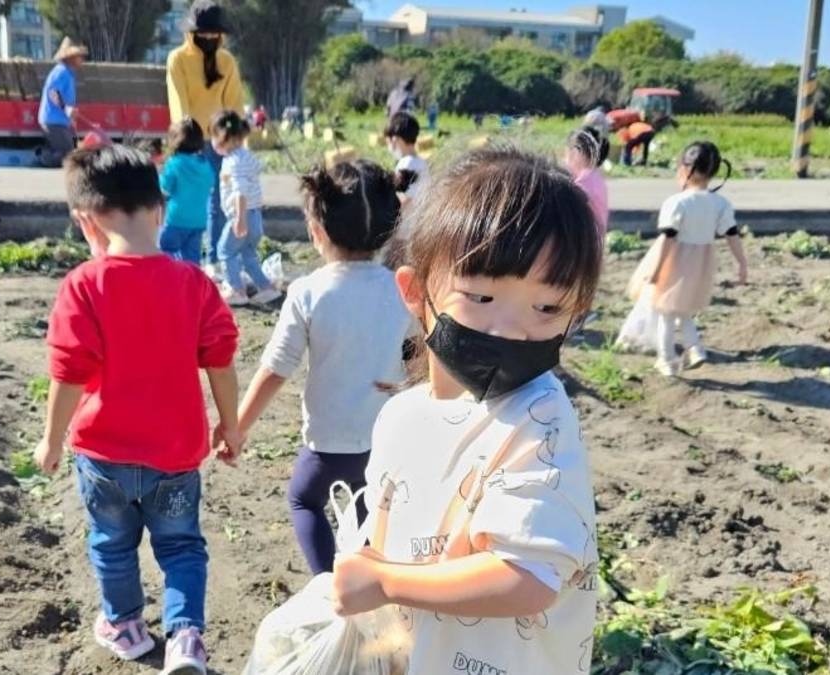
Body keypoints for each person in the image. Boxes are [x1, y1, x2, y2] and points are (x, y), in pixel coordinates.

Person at [331, 147, 602, 675]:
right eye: (480, 298)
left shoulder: (539, 417)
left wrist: (386, 581)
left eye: (547, 308)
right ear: (415, 291)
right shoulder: (401, 419)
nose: (510, 330)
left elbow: (526, 577)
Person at [33, 143, 242, 674]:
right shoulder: (193, 284)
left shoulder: (84, 285)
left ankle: (125, 625)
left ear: (85, 222)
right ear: (160, 210)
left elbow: (69, 372)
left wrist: (52, 440)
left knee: (111, 544)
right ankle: (186, 637)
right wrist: (230, 425)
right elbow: (220, 361)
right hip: (175, 455)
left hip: (103, 456)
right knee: (182, 547)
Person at [236, 160, 413, 576]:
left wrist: (238, 427)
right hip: (383, 436)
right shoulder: (401, 290)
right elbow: (421, 351)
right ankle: (365, 579)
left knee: (304, 499)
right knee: (370, 506)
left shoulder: (307, 292)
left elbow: (275, 368)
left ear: (316, 232)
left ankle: (325, 582)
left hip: (327, 442)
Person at [616, 141, 747, 377]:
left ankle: (666, 359)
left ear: (684, 169)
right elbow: (732, 235)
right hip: (701, 264)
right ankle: (695, 349)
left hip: (673, 262)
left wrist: (655, 271)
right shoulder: (721, 204)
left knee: (665, 313)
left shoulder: (677, 202)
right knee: (683, 310)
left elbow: (668, 239)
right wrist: (742, 263)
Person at [166, 0, 244, 278]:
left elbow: (234, 103)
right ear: (192, 32)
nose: (209, 37)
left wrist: (233, 137)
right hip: (190, 142)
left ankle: (213, 259)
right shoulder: (177, 59)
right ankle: (183, 259)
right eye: (203, 33)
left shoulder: (227, 61)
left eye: (214, 33)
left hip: (219, 141)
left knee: (218, 202)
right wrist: (187, 139)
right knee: (188, 201)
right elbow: (179, 102)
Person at [211, 110, 280, 307]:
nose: (212, 141)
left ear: (224, 138)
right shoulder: (246, 156)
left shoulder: (233, 162)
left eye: (213, 136)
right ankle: (266, 288)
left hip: (241, 215)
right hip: (255, 215)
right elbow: (254, 174)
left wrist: (239, 218)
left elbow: (240, 191)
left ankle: (236, 290)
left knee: (225, 250)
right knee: (248, 255)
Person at [160, 117, 216, 264]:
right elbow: (211, 183)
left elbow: (164, 187)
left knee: (166, 250)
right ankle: (192, 278)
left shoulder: (174, 163)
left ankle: (170, 277)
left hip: (176, 219)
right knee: (192, 259)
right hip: (198, 220)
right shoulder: (204, 164)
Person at [37, 37, 88, 168]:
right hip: (53, 121)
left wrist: (70, 115)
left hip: (60, 121)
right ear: (71, 57)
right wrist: (66, 109)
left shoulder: (69, 73)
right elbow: (53, 93)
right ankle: (42, 158)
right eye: (79, 56)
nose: (82, 59)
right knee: (69, 154)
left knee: (73, 149)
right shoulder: (61, 72)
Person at [565, 126, 610, 243]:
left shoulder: (582, 183)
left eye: (567, 152)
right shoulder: (594, 177)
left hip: (583, 246)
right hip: (594, 244)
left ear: (576, 153)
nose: (565, 159)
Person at [385, 111, 429, 207]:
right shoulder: (421, 162)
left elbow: (404, 200)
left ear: (396, 138)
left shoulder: (406, 164)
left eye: (390, 139)